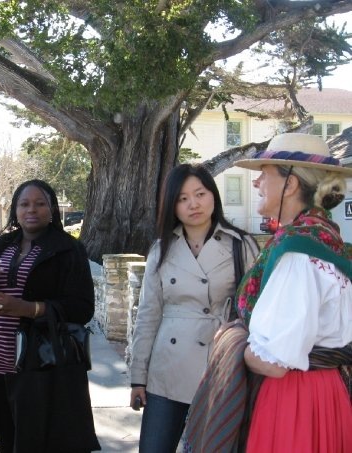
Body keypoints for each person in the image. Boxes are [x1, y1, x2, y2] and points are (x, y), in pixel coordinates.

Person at [184, 133, 352, 453]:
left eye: (265, 173)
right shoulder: (326, 241)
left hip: (295, 402)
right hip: (322, 394)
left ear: (289, 184)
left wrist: (233, 343)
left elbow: (273, 360)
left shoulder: (297, 255)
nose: (256, 182)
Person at [129, 163, 260, 453]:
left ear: (213, 195)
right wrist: (138, 377)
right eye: (183, 198)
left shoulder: (242, 245)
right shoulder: (161, 249)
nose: (193, 204)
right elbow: (148, 315)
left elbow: (258, 311)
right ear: (172, 206)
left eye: (200, 194)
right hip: (168, 371)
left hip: (222, 366)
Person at [0, 179, 100, 452]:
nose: (32, 210)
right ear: (15, 210)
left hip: (42, 368)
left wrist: (31, 309)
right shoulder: (0, 248)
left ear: (52, 209)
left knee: (39, 442)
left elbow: (82, 307)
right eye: (24, 204)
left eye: (40, 203)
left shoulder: (68, 249)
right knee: (6, 442)